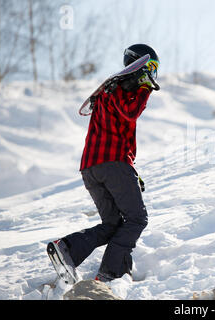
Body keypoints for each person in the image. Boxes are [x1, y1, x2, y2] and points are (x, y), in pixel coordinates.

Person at [47, 44, 160, 282]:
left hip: (92, 167)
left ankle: (67, 249)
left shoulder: (109, 91)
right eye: (152, 69)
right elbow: (130, 113)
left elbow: (115, 128)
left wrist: (131, 171)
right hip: (112, 164)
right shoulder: (122, 89)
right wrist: (145, 89)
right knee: (137, 219)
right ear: (141, 65)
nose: (152, 76)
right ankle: (110, 274)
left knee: (112, 224)